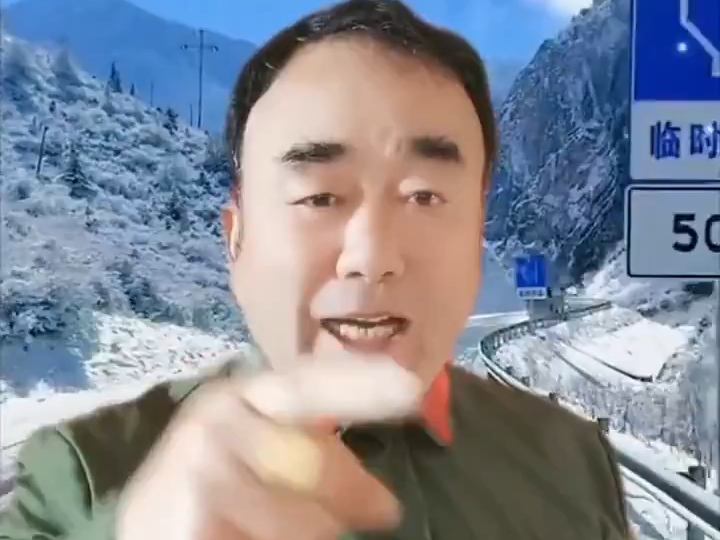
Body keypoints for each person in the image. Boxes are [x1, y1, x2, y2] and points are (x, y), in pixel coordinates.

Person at [0, 1, 632, 539]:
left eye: (424, 196)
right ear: (236, 238)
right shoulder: (81, 481)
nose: (372, 256)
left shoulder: (572, 466)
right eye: (320, 197)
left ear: (476, 237)